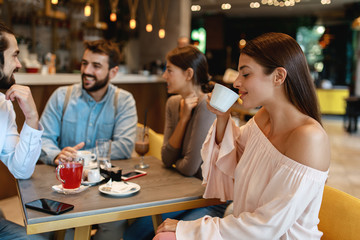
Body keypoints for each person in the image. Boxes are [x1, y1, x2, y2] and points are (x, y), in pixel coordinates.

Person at [154, 32, 330, 240]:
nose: (236, 82)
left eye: (245, 74)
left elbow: (267, 226)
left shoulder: (309, 138)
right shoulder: (264, 117)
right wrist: (222, 117)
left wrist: (191, 229)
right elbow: (233, 158)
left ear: (278, 77)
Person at [124, 45, 228, 240]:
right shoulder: (173, 103)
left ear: (188, 74)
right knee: (133, 234)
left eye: (169, 70)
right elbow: (166, 158)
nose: (164, 76)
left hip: (208, 199)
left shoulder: (208, 106)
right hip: (181, 194)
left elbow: (189, 167)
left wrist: (178, 161)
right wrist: (183, 119)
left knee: (152, 233)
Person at [39, 39, 137, 239]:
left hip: (105, 188)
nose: (87, 70)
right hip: (63, 186)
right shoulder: (61, 96)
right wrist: (58, 154)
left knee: (114, 224)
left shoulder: (124, 100)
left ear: (113, 72)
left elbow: (125, 146)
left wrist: (80, 157)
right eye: (85, 63)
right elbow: (43, 139)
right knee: (56, 229)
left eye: (96, 66)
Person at [0, 22, 43, 240]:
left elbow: (21, 170)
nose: (18, 64)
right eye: (14, 55)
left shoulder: (4, 104)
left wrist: (32, 117)